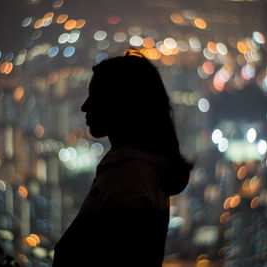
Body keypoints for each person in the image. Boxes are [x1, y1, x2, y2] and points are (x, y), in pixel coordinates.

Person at [53, 50, 193, 267]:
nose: (85, 106)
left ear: (121, 104)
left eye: (95, 97)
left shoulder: (132, 180)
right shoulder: (133, 170)